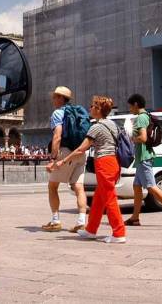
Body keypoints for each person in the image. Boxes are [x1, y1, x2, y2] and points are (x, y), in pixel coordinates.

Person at [50, 95, 126, 243]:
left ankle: (119, 232)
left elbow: (81, 149)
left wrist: (63, 161)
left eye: (92, 106)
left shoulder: (96, 127)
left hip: (104, 163)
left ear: (98, 109)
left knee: (110, 199)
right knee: (99, 198)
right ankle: (91, 229)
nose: (89, 108)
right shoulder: (112, 124)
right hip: (113, 162)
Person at [124, 93, 162, 227]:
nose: (130, 109)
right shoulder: (147, 116)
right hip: (143, 158)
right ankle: (135, 217)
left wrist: (132, 138)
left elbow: (143, 138)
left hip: (144, 157)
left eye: (130, 106)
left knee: (151, 186)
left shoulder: (140, 119)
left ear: (136, 104)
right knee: (137, 187)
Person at [43, 86, 87, 233]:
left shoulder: (58, 113)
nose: (53, 99)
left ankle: (55, 221)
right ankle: (81, 221)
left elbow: (57, 136)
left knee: (52, 186)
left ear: (61, 98)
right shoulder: (78, 111)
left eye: (55, 97)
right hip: (80, 152)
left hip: (66, 152)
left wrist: (53, 158)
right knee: (79, 187)